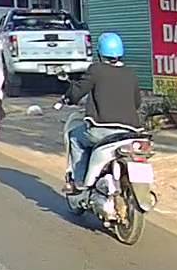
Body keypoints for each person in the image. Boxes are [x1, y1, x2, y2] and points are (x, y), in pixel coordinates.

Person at [58, 32, 143, 194]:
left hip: (102, 131)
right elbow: (137, 103)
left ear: (99, 53)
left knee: (75, 137)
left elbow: (78, 91)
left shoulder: (96, 70)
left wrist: (68, 98)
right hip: (130, 132)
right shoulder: (130, 73)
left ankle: (79, 182)